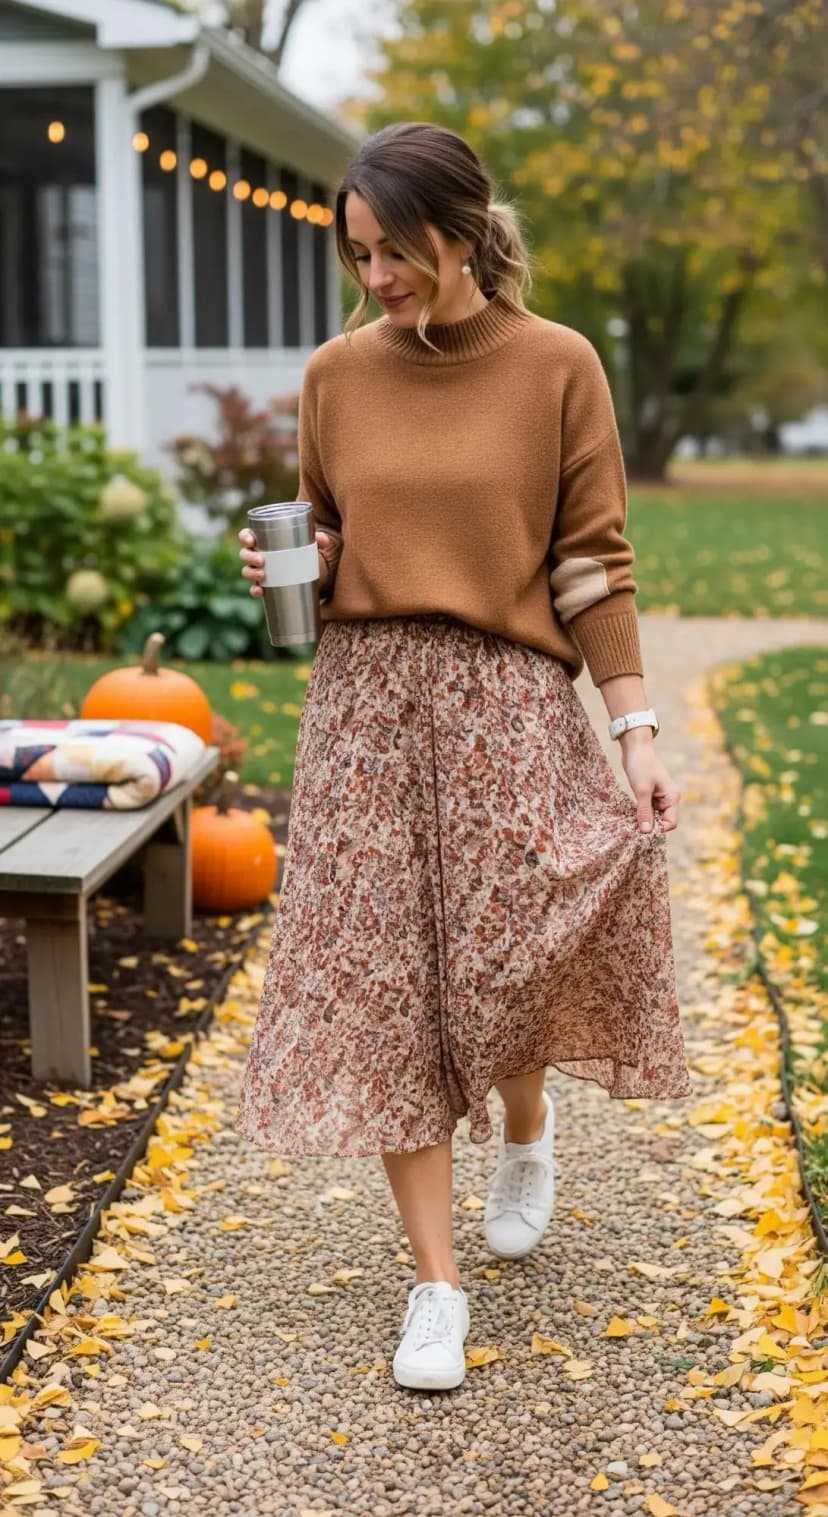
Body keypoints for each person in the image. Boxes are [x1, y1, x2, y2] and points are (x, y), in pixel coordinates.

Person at [233, 120, 691, 1393]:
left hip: (508, 704)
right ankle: (434, 1286)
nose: (374, 279)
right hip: (367, 711)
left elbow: (594, 560)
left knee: (501, 958)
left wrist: (635, 727)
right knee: (389, 987)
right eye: (357, 254)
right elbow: (329, 534)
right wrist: (305, 570)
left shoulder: (559, 366)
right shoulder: (336, 374)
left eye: (394, 251)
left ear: (463, 229)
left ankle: (527, 1130)